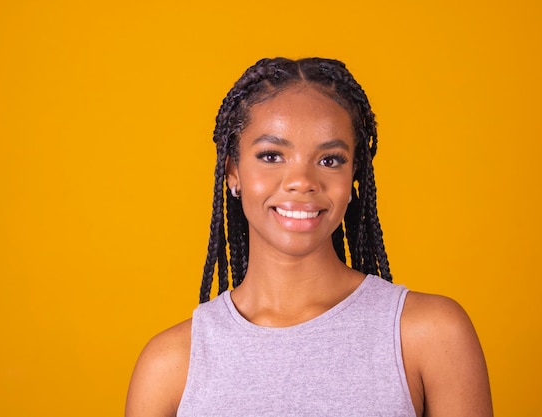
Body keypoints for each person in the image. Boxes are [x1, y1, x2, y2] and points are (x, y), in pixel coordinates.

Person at [125, 57, 493, 417]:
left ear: (353, 178)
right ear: (233, 171)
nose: (302, 181)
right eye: (271, 156)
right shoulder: (170, 366)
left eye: (330, 159)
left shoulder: (431, 335)